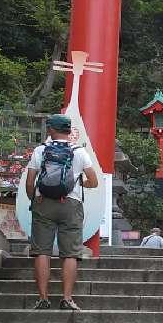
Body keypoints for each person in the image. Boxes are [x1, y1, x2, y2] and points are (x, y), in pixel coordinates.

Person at [25, 114, 98, 311]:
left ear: (51, 130)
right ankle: (67, 298)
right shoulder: (79, 152)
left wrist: (35, 199)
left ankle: (43, 299)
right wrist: (77, 183)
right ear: (68, 131)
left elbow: (30, 182)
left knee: (42, 251)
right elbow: (94, 181)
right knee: (71, 253)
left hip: (43, 203)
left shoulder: (41, 150)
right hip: (71, 204)